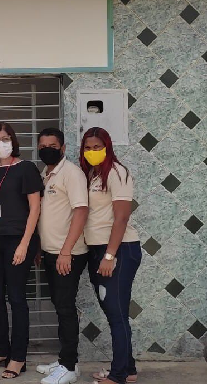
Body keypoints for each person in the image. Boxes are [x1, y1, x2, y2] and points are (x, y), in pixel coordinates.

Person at [0, 122, 43, 380]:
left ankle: (18, 357)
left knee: (16, 298)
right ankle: (0, 351)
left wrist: (25, 244)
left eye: (4, 138)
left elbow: (35, 208)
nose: (0, 143)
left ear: (13, 141)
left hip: (18, 239)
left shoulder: (26, 169)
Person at [80, 128, 141, 384]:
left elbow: (122, 217)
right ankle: (128, 369)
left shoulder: (117, 172)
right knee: (115, 312)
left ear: (107, 147)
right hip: (98, 249)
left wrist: (109, 255)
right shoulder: (92, 174)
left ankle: (118, 376)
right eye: (88, 148)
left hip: (119, 249)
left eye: (97, 147)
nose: (92, 152)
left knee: (116, 314)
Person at [34, 128, 88, 384]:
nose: (47, 150)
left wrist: (66, 251)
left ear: (63, 148)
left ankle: (69, 366)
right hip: (51, 252)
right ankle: (65, 359)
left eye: (52, 146)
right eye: (42, 146)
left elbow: (81, 211)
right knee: (59, 304)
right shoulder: (45, 174)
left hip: (68, 254)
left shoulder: (71, 173)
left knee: (65, 307)